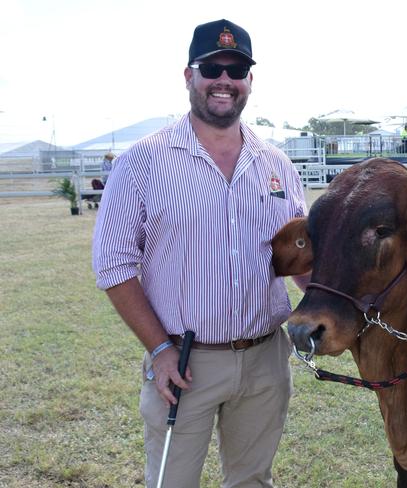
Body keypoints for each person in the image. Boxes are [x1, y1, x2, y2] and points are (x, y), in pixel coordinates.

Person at [92, 19, 307, 488]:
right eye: (212, 67)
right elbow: (113, 265)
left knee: (252, 481)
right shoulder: (143, 161)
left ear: (251, 80)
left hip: (265, 357)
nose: (224, 80)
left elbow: (298, 257)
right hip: (184, 362)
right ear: (188, 76)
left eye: (237, 69)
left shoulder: (277, 166)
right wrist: (160, 350)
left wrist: (337, 302)